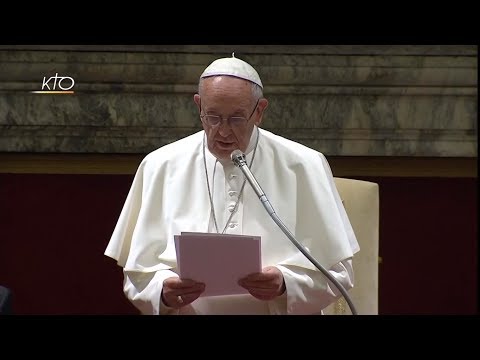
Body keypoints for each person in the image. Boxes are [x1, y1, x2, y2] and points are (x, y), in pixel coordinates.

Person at [104, 54, 360, 315]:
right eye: (212, 117)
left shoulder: (305, 165)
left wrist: (286, 284)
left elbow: (340, 274)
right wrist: (162, 292)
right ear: (198, 105)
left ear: (259, 111)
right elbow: (137, 275)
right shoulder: (160, 165)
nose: (223, 131)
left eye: (236, 119)